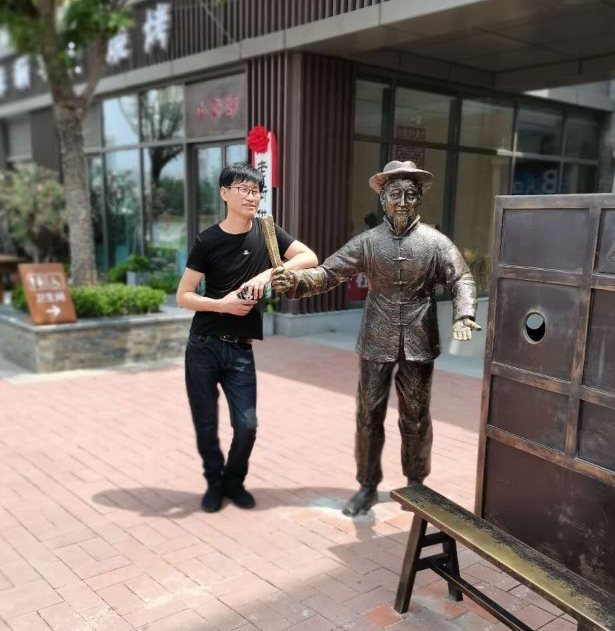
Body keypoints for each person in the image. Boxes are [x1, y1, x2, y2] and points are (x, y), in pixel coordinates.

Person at [272, 160, 480, 516]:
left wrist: (464, 313)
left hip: (419, 338)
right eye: (395, 194)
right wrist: (296, 282)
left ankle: (416, 483)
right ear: (383, 200)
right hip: (376, 338)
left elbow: (461, 278)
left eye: (410, 195)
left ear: (419, 200)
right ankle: (367, 485)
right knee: (368, 413)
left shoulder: (435, 243)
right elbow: (328, 273)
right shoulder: (368, 242)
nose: (402, 202)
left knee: (416, 417)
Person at [176, 162, 318, 513]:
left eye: (256, 191)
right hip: (204, 345)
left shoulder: (267, 232)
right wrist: (221, 305)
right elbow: (183, 296)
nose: (252, 197)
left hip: (240, 350)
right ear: (225, 193)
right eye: (244, 190)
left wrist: (267, 274)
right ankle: (215, 484)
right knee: (206, 423)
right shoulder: (207, 240)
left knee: (247, 425)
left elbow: (309, 257)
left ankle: (234, 481)